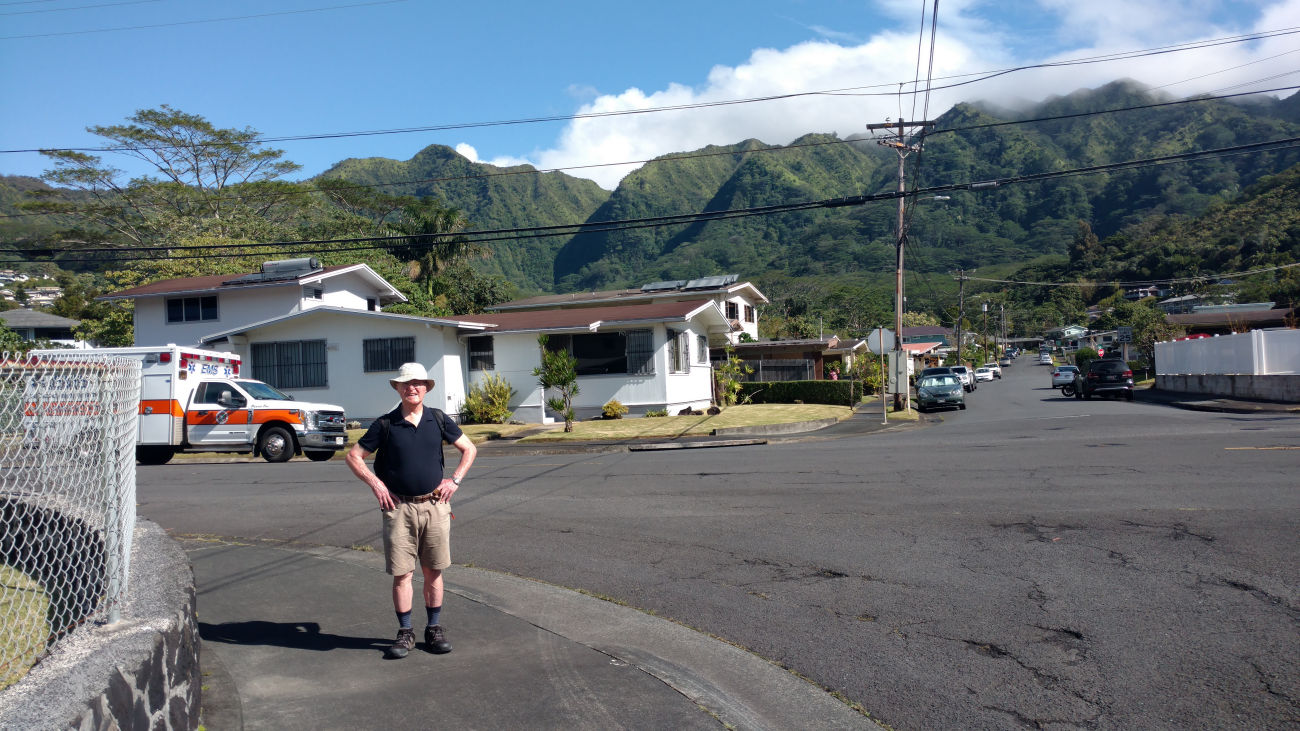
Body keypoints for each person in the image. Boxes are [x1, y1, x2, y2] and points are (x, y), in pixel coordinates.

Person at [346, 362, 477, 659]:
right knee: (402, 574)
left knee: (433, 571)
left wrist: (455, 480)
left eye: (418, 383)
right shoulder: (385, 424)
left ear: (426, 387)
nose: (412, 387)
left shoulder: (439, 419)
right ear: (397, 388)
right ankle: (405, 632)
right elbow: (354, 457)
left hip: (435, 506)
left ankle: (434, 628)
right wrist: (377, 485)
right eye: (405, 383)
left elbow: (469, 449)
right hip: (399, 509)